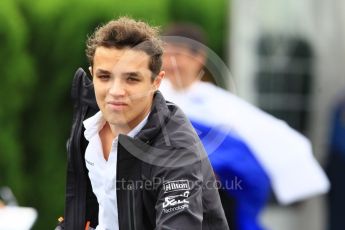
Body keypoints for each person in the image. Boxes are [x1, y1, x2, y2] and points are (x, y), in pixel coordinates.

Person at [58, 17, 229, 230]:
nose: (115, 91)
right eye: (104, 77)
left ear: (156, 82)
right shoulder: (88, 128)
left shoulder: (175, 150)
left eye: (131, 79)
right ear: (92, 76)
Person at [160, 23, 330, 230]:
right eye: (165, 54)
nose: (170, 62)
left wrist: (215, 165)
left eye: (177, 54)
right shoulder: (150, 97)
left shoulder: (218, 103)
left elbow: (257, 139)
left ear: (199, 58)